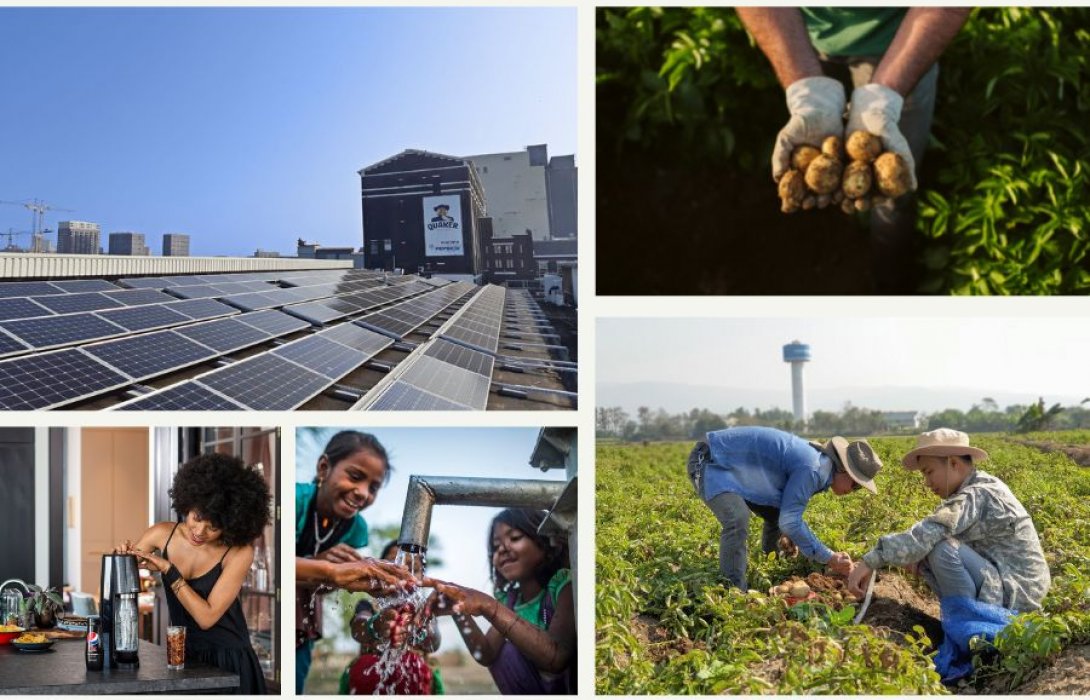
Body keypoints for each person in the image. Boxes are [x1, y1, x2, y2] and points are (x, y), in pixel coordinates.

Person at [736, 8, 971, 292]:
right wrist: (805, 87)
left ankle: (890, 278)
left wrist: (887, 95)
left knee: (894, 194)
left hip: (902, 43)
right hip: (802, 35)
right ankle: (851, 236)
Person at [847, 427, 1050, 610]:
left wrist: (871, 561)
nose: (927, 483)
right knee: (930, 550)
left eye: (929, 472)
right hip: (1017, 587)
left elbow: (930, 532)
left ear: (953, 463)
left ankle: (972, 630)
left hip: (1016, 595)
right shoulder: (984, 485)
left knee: (942, 548)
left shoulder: (976, 494)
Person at [118, 453, 272, 694]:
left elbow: (207, 617)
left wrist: (168, 570)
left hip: (229, 660)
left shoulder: (238, 553)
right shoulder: (161, 533)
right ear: (187, 504)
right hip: (182, 656)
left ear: (231, 523)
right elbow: (123, 577)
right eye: (197, 518)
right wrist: (121, 559)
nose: (200, 531)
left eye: (214, 526)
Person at [686, 426, 881, 591]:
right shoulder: (813, 469)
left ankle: (772, 567)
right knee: (737, 519)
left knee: (776, 514)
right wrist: (829, 557)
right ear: (844, 470)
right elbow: (791, 521)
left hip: (736, 468)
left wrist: (792, 536)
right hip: (711, 460)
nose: (853, 491)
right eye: (855, 484)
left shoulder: (820, 466)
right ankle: (734, 591)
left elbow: (785, 514)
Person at [295, 431, 411, 694]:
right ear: (324, 467)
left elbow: (327, 588)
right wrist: (327, 569)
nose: (362, 493)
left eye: (373, 487)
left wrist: (352, 580)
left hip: (304, 622)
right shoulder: (294, 500)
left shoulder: (357, 528)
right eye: (355, 477)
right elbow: (270, 566)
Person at [425, 509, 576, 694]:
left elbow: (557, 658)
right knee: (506, 652)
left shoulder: (563, 585)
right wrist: (459, 610)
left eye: (515, 538)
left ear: (545, 542)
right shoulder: (511, 600)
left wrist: (489, 605)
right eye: (496, 547)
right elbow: (486, 653)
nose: (502, 549)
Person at [338, 541, 443, 695]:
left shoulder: (425, 609)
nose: (403, 570)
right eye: (393, 563)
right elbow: (358, 628)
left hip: (416, 680)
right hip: (369, 676)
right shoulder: (368, 606)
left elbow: (434, 641)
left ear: (422, 577)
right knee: (366, 667)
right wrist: (375, 626)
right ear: (378, 570)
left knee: (415, 667)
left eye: (414, 567)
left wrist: (419, 626)